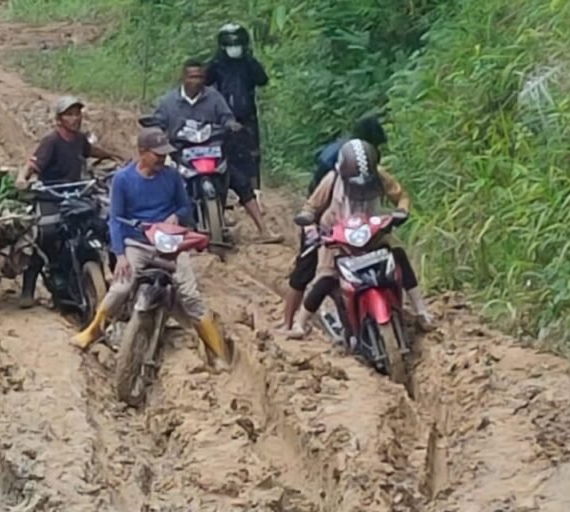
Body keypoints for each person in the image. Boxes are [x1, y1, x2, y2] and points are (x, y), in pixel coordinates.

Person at [70, 127, 230, 365]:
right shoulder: (123, 179)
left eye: (165, 155)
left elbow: (185, 208)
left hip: (172, 243)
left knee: (189, 294)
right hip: (138, 242)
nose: (162, 159)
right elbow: (115, 219)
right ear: (142, 153)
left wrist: (176, 216)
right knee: (121, 288)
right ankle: (93, 330)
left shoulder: (172, 177)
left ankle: (218, 352)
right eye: (158, 154)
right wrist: (120, 254)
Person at [285, 138, 436, 339]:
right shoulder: (331, 180)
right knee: (327, 278)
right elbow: (310, 208)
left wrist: (401, 211)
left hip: (372, 233)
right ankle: (300, 323)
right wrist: (311, 229)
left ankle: (421, 311)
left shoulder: (380, 176)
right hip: (338, 238)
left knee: (398, 256)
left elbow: (401, 196)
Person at [154, 58, 283, 244]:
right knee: (164, 186)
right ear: (183, 77)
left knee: (241, 182)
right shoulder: (168, 102)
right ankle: (166, 232)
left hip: (212, 152)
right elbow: (158, 121)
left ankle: (263, 229)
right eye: (191, 77)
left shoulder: (214, 97)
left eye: (200, 77)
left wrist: (231, 125)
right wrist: (157, 130)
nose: (196, 81)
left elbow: (226, 116)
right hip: (182, 155)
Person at [280, 116, 389, 332]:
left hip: (355, 217)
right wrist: (312, 225)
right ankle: (289, 322)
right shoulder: (337, 161)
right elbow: (316, 196)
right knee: (308, 267)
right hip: (325, 216)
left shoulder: (362, 156)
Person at [14, 96, 120, 308]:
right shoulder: (51, 142)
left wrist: (115, 157)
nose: (75, 118)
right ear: (59, 119)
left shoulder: (80, 140)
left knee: (102, 226)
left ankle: (117, 279)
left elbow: (91, 151)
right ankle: (28, 288)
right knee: (46, 234)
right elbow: (32, 164)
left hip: (77, 193)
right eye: (69, 114)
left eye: (77, 113)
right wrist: (22, 178)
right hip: (51, 195)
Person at [205, 23, 269, 196]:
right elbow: (205, 80)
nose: (234, 48)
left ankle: (255, 190)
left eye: (237, 44)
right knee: (222, 151)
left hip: (247, 115)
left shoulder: (248, 63)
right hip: (223, 117)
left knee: (252, 152)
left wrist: (250, 59)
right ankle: (224, 189)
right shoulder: (218, 63)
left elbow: (262, 79)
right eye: (230, 44)